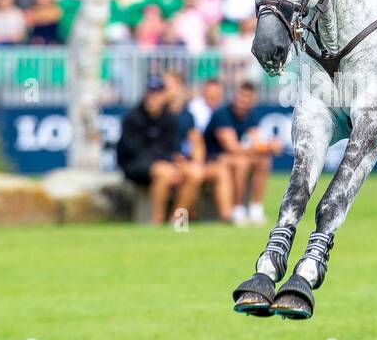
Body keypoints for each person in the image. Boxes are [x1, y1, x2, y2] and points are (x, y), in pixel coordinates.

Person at [116, 76, 203, 225]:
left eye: (156, 94)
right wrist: (167, 163)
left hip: (164, 163)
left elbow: (173, 149)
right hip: (135, 165)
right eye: (150, 93)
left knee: (195, 173)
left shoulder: (169, 119)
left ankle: (177, 221)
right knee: (164, 172)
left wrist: (177, 163)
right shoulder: (132, 117)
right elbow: (134, 151)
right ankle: (157, 220)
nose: (152, 98)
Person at [163, 70, 235, 223]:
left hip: (188, 162)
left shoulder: (186, 114)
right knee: (195, 173)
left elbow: (196, 142)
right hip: (168, 163)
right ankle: (177, 220)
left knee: (219, 171)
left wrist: (197, 162)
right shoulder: (159, 113)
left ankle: (227, 217)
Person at [204, 82, 281, 225]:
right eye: (241, 96)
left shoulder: (250, 116)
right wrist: (267, 148)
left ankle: (255, 208)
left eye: (247, 97)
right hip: (214, 158)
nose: (243, 100)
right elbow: (231, 147)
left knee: (264, 161)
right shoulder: (222, 114)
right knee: (242, 162)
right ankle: (238, 208)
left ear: (253, 100)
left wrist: (269, 148)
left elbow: (257, 142)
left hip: (232, 156)